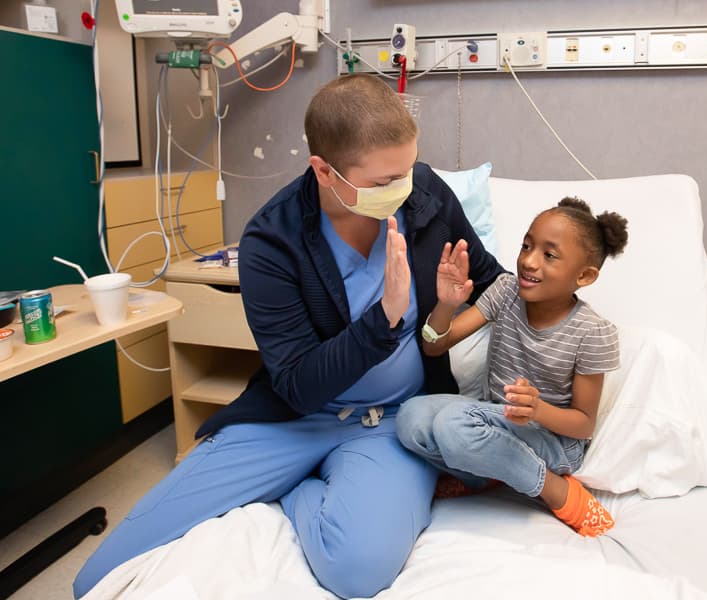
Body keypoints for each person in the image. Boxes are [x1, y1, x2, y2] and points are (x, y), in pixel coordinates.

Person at [73, 74, 503, 599]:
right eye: (382, 182)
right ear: (324, 171)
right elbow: (298, 384)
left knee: (359, 571)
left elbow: (491, 279)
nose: (402, 189)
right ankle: (294, 475)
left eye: (407, 170)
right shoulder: (271, 241)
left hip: (391, 421)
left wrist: (444, 322)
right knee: (100, 578)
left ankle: (297, 490)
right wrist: (385, 317)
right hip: (292, 417)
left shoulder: (426, 195)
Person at [396, 197, 628, 537]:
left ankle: (556, 490)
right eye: (526, 246)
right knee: (409, 419)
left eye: (549, 255)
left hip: (555, 440)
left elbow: (583, 425)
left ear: (585, 275)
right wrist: (447, 306)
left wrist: (537, 409)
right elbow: (434, 345)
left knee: (452, 426)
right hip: (491, 418)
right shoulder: (506, 291)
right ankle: (483, 476)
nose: (528, 261)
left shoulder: (593, 333)